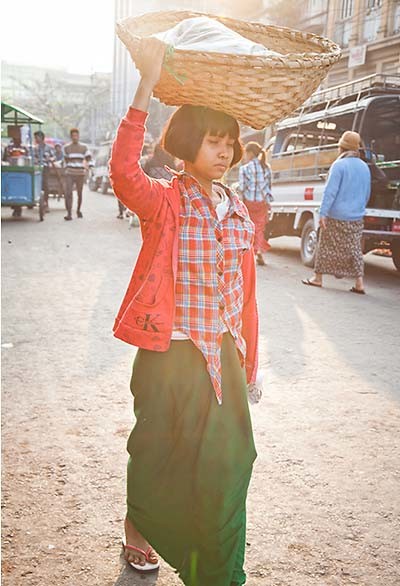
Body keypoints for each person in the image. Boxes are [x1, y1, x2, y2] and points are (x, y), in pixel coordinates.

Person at [109, 38, 260, 586]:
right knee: (156, 455)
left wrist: (251, 363)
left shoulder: (237, 211)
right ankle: (139, 534)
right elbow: (123, 172)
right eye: (213, 142)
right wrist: (147, 85)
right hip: (168, 354)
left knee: (230, 461)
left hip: (223, 359)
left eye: (229, 142)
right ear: (187, 145)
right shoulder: (165, 201)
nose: (224, 152)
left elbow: (245, 297)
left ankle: (216, 571)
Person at [302, 131, 371, 294]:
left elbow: (330, 192)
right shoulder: (365, 167)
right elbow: (367, 193)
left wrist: (323, 213)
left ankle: (318, 278)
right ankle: (359, 283)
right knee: (354, 248)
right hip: (356, 216)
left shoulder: (339, 165)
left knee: (325, 246)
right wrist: (359, 209)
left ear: (342, 148)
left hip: (336, 215)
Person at [238, 142, 272, 266]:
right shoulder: (266, 167)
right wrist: (269, 205)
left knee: (249, 227)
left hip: (249, 203)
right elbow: (268, 188)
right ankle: (259, 252)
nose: (244, 156)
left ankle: (250, 253)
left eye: (245, 153)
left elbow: (242, 188)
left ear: (250, 153)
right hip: (262, 203)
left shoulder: (244, 168)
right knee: (259, 227)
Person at [63, 128, 92, 220]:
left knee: (79, 193)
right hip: (70, 172)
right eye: (73, 136)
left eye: (76, 136)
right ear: (71, 137)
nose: (75, 137)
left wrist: (87, 167)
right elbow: (65, 160)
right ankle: (69, 213)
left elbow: (88, 158)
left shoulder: (84, 147)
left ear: (78, 136)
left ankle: (78, 210)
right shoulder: (66, 148)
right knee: (68, 193)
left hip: (80, 173)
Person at [33, 130, 55, 212]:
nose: (35, 139)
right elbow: (33, 157)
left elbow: (54, 157)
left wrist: (50, 159)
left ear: (41, 137)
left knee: (45, 184)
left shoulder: (48, 147)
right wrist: (35, 160)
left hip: (45, 167)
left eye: (36, 137)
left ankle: (46, 203)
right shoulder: (35, 148)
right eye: (35, 138)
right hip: (37, 168)